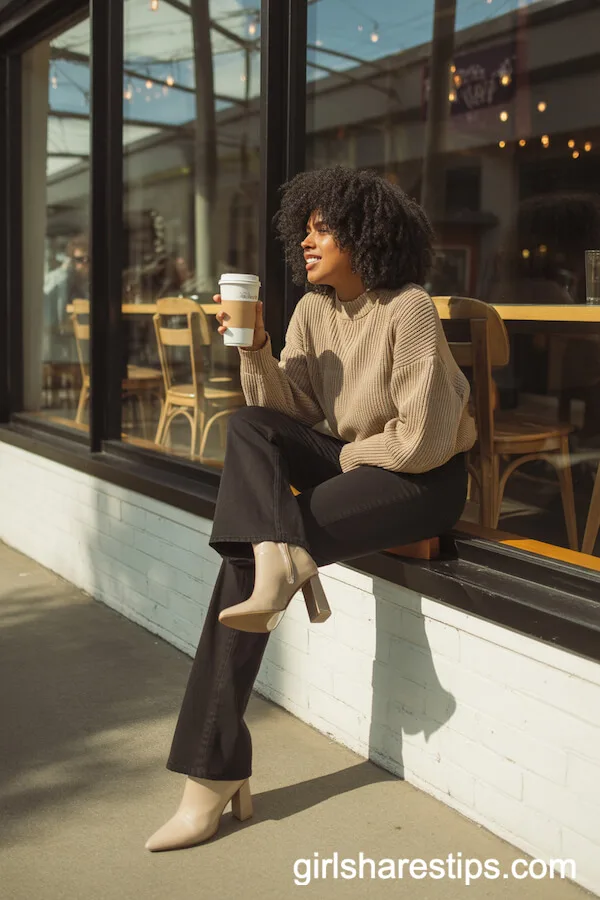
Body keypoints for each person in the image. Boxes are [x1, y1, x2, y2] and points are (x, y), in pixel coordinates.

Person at [144, 165, 477, 852]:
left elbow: (422, 439)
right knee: (245, 435)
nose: (306, 240)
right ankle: (281, 557)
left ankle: (210, 778)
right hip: (355, 459)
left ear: (365, 234)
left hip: (420, 479)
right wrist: (256, 346)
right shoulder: (309, 311)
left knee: (247, 552)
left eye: (322, 228)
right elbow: (282, 414)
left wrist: (340, 465)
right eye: (305, 228)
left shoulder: (407, 308)